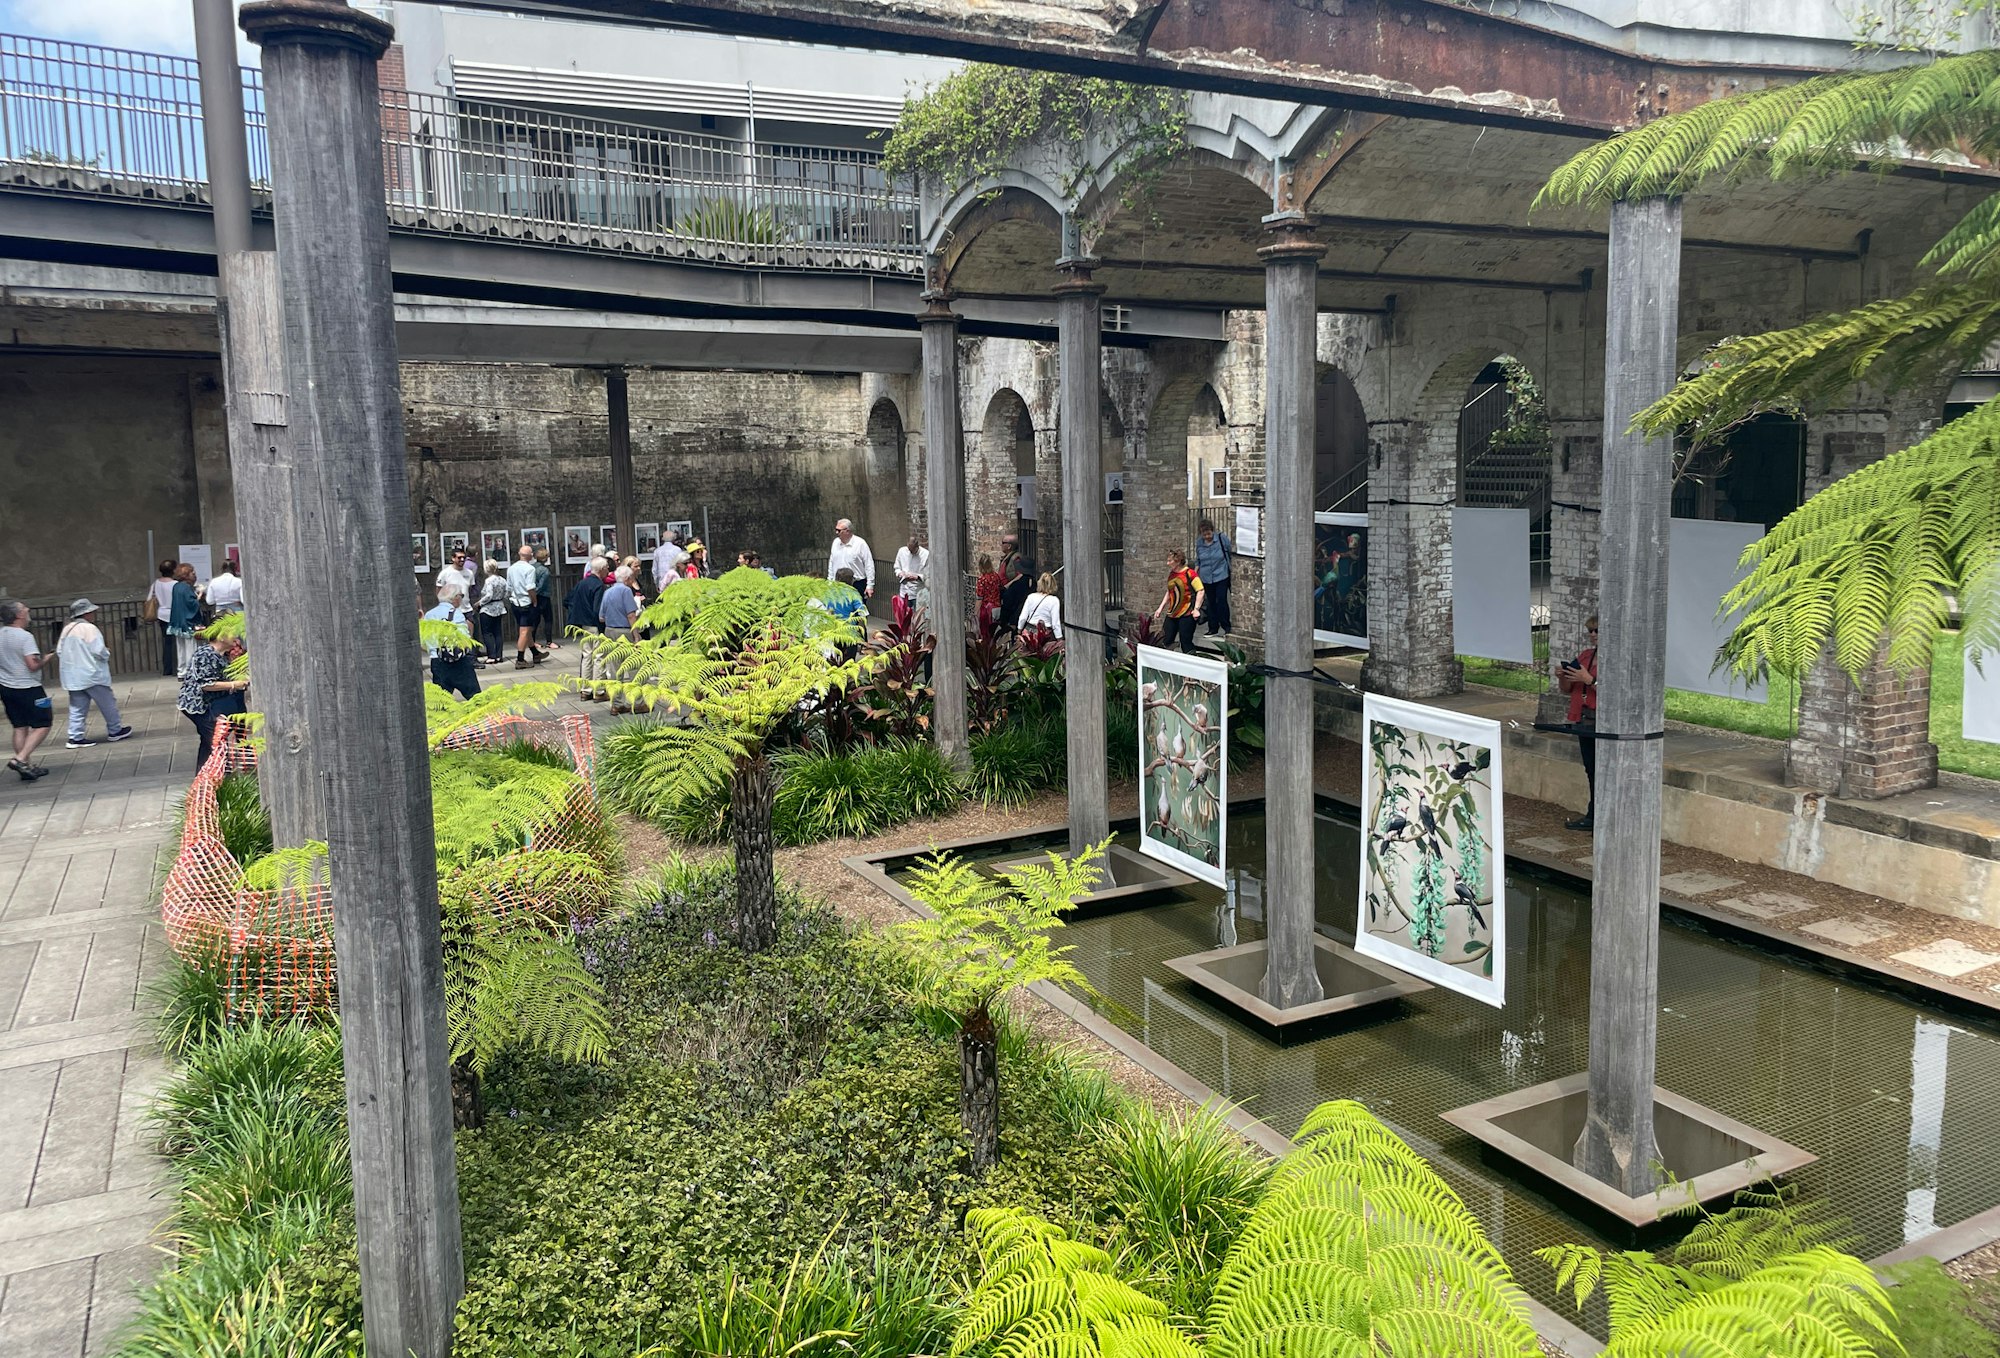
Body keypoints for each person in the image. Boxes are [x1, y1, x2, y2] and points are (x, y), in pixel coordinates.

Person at [57, 599, 131, 749]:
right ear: (87, 613)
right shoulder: (89, 629)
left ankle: (75, 736)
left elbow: (59, 650)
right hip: (92, 674)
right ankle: (115, 730)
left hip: (72, 676)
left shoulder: (67, 629)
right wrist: (106, 653)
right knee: (107, 703)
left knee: (77, 706)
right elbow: (98, 650)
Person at [177, 627, 247, 770]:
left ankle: (204, 775)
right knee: (215, 742)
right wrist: (234, 684)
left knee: (210, 742)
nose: (235, 637)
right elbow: (206, 684)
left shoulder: (222, 654)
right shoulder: (206, 654)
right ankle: (214, 778)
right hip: (199, 705)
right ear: (221, 636)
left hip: (213, 703)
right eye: (231, 633)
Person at [0, 601, 54, 781]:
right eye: (25, 609)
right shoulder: (25, 637)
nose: (28, 610)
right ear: (19, 615)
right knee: (43, 723)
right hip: (30, 688)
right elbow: (32, 665)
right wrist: (47, 658)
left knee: (19, 726)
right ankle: (20, 759)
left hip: (7, 687)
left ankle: (27, 766)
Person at [1556, 614, 1600, 832]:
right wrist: (1563, 675)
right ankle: (1593, 815)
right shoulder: (1585, 656)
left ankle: (1600, 816)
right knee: (1591, 769)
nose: (1593, 635)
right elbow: (1567, 689)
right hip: (1584, 719)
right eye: (1590, 631)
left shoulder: (1616, 659)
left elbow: (1617, 694)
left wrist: (1589, 680)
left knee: (1602, 771)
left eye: (1597, 631)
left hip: (1602, 722)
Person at [598, 565, 641, 715]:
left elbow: (601, 617)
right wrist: (636, 635)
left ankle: (616, 704)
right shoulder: (625, 591)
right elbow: (631, 615)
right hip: (624, 632)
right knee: (636, 666)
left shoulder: (607, 591)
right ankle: (638, 702)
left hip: (609, 631)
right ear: (627, 579)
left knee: (615, 670)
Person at [423, 588, 482, 700]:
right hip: (459, 662)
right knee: (476, 698)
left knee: (442, 703)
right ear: (455, 598)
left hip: (437, 661)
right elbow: (464, 638)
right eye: (461, 595)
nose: (461, 599)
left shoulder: (429, 615)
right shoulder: (457, 614)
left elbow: (425, 640)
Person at [567, 555, 609, 702]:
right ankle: (599, 690)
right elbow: (598, 609)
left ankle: (585, 690)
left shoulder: (582, 583)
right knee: (598, 657)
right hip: (595, 624)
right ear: (602, 569)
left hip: (583, 625)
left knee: (586, 656)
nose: (608, 571)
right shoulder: (598, 585)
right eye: (607, 568)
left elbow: (569, 600)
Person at [1151, 549, 1204, 653]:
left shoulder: (1190, 573)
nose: (1168, 563)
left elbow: (1200, 590)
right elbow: (1169, 592)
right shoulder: (1172, 574)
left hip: (1187, 613)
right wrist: (1160, 608)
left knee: (1186, 642)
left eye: (1170, 561)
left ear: (1178, 561)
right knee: (1165, 640)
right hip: (1172, 613)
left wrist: (1197, 608)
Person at [506, 545, 546, 669]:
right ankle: (520, 659)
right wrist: (534, 601)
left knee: (525, 629)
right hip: (525, 602)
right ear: (531, 555)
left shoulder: (511, 568)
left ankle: (535, 653)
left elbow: (509, 587)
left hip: (515, 602)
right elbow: (530, 588)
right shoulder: (530, 569)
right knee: (524, 631)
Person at [1194, 518, 1233, 636]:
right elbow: (1198, 560)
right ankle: (1213, 627)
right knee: (1210, 602)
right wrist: (1195, 573)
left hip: (1221, 574)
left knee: (1221, 600)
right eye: (1204, 534)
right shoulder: (1199, 543)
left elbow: (1230, 553)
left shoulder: (1221, 539)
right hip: (1206, 576)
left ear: (1212, 531)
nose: (1206, 536)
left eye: (1208, 533)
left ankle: (1226, 625)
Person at [146, 560, 180, 675]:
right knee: (176, 642)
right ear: (174, 570)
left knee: (166, 642)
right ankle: (176, 667)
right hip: (174, 614)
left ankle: (167, 668)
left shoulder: (156, 583)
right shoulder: (175, 584)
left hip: (161, 614)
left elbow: (149, 598)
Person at [826, 518, 874, 601]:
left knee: (857, 610)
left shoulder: (860, 543)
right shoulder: (835, 543)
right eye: (836, 530)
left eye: (839, 530)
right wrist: (830, 580)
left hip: (856, 583)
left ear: (847, 531)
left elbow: (869, 564)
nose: (836, 533)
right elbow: (832, 562)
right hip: (838, 583)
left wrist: (870, 585)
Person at [167, 563, 202, 675]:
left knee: (180, 649)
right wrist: (200, 595)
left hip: (177, 621)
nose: (194, 575)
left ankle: (181, 671)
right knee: (190, 648)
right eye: (192, 573)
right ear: (186, 575)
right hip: (188, 622)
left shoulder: (176, 586)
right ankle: (190, 670)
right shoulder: (187, 588)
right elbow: (192, 603)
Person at [999, 536, 1036, 635]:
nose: (1001, 545)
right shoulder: (1007, 558)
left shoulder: (1016, 559)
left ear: (1009, 546)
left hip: (1015, 614)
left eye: (1003, 542)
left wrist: (1008, 586)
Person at [475, 561, 509, 665]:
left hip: (488, 608)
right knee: (498, 632)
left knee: (487, 632)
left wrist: (479, 603)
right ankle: (499, 655)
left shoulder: (489, 581)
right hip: (499, 606)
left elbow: (489, 595)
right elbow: (507, 592)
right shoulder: (502, 580)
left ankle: (491, 655)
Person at [892, 534, 929, 631]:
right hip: (905, 590)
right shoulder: (902, 551)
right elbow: (897, 567)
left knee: (918, 619)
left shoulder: (926, 554)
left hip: (918, 591)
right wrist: (900, 574)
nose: (911, 552)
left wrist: (917, 576)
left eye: (913, 550)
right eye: (909, 550)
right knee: (904, 618)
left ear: (917, 546)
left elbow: (928, 574)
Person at [1017, 571, 1063, 643]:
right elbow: (1055, 623)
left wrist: (1019, 629)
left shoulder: (1031, 597)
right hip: (1045, 633)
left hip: (1029, 630)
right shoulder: (1054, 600)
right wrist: (1059, 638)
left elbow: (1023, 617)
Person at [532, 546, 559, 649]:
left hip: (533, 597)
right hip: (543, 597)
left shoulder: (532, 568)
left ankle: (532, 641)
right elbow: (541, 585)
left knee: (535, 620)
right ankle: (549, 641)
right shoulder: (545, 571)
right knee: (548, 619)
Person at [974, 554, 1003, 636]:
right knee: (995, 632)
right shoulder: (996, 576)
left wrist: (975, 613)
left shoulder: (982, 579)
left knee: (986, 634)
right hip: (997, 607)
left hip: (986, 610)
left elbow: (979, 597)